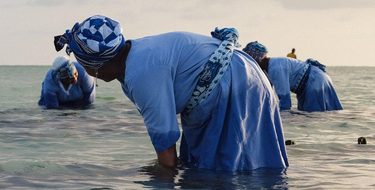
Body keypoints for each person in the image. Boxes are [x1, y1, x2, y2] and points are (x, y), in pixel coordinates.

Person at [54, 16, 288, 171]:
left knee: (223, 175)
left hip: (234, 85)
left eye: (82, 63)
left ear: (96, 66)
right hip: (245, 76)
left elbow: (165, 143)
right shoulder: (137, 54)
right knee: (250, 165)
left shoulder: (141, 73)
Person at [243, 42, 342, 112]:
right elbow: (265, 92)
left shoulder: (276, 68)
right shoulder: (266, 70)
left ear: (256, 60)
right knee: (317, 113)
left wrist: (283, 117)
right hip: (311, 82)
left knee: (315, 115)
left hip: (314, 80)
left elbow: (285, 98)